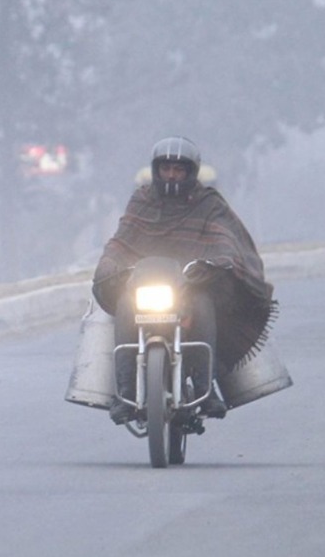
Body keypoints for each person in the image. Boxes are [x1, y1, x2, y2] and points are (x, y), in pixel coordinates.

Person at [92, 136, 276, 424]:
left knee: (203, 305)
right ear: (156, 170)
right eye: (166, 169)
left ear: (191, 172)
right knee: (127, 305)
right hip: (146, 283)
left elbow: (225, 241)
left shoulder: (209, 203)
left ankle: (206, 386)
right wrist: (110, 262)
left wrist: (218, 263)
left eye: (179, 170)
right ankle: (125, 391)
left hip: (189, 286)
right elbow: (122, 240)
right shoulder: (142, 199)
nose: (171, 175)